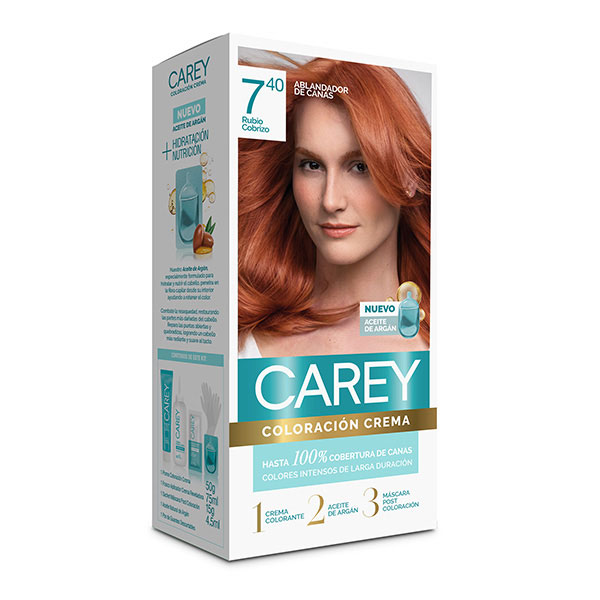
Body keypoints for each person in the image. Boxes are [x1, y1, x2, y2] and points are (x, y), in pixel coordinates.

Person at [238, 56, 431, 358]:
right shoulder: (240, 346)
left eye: (360, 167)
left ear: (409, 179)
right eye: (312, 165)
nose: (330, 201)